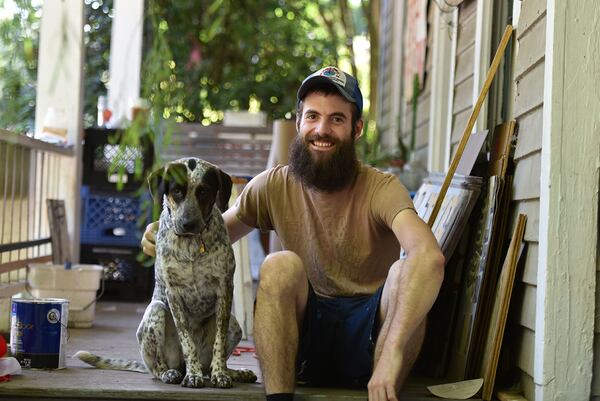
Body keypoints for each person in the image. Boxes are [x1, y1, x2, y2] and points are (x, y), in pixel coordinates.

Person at [141, 66, 445, 401]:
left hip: (372, 337)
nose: (322, 129)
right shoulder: (272, 185)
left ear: (356, 128)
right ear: (299, 123)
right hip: (304, 340)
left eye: (337, 119)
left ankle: (382, 387)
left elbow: (429, 257)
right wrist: (161, 231)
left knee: (405, 271)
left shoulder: (381, 188)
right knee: (278, 265)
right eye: (312, 116)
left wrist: (393, 354)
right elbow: (210, 235)